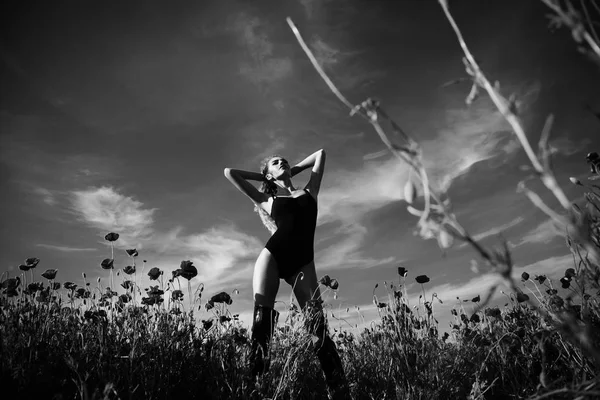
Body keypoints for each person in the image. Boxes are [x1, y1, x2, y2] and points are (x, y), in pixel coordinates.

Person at [224, 149, 350, 399]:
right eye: (275, 162)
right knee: (262, 326)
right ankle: (256, 388)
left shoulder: (309, 191)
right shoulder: (266, 200)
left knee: (318, 328)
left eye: (284, 160)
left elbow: (320, 154)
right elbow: (230, 173)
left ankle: (340, 391)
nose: (282, 162)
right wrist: (265, 176)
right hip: (273, 256)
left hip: (304, 262)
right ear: (268, 174)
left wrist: (292, 170)